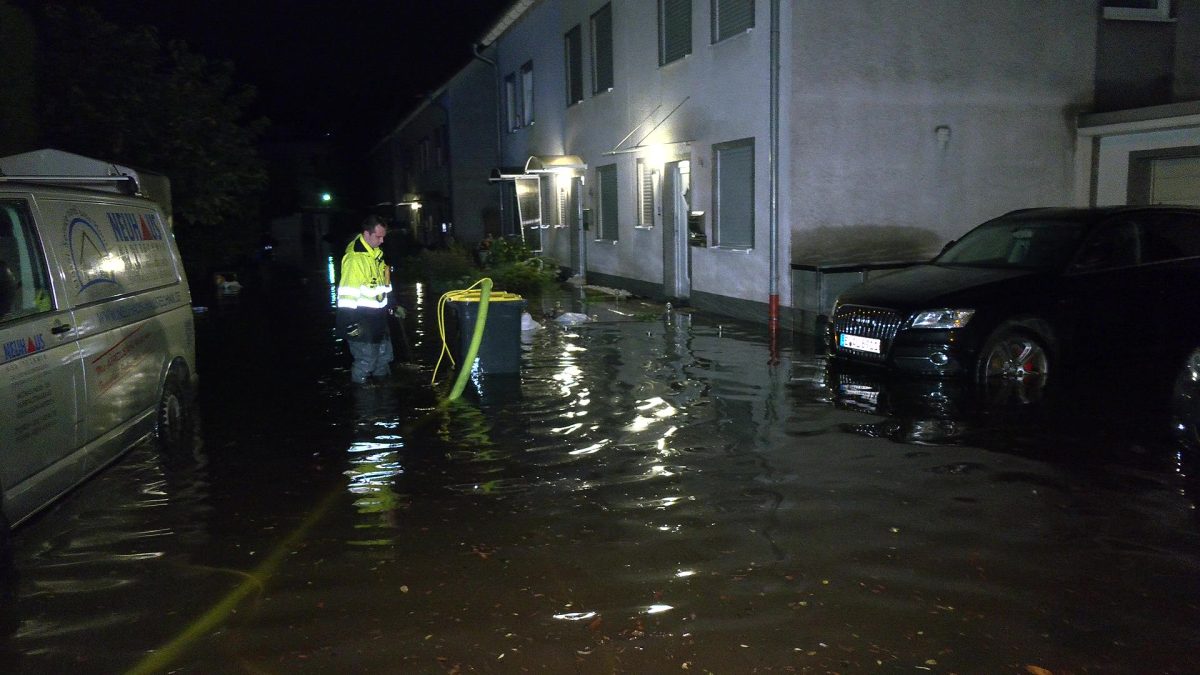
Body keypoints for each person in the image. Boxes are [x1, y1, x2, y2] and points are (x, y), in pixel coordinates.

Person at [337, 215, 396, 384]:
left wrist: (393, 303)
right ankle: (362, 401)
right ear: (366, 234)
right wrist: (349, 324)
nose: (382, 240)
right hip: (361, 321)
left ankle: (384, 399)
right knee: (366, 361)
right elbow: (347, 295)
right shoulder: (355, 259)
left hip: (378, 318)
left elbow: (382, 285)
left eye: (383, 236)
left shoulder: (376, 255)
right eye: (378, 236)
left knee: (384, 359)